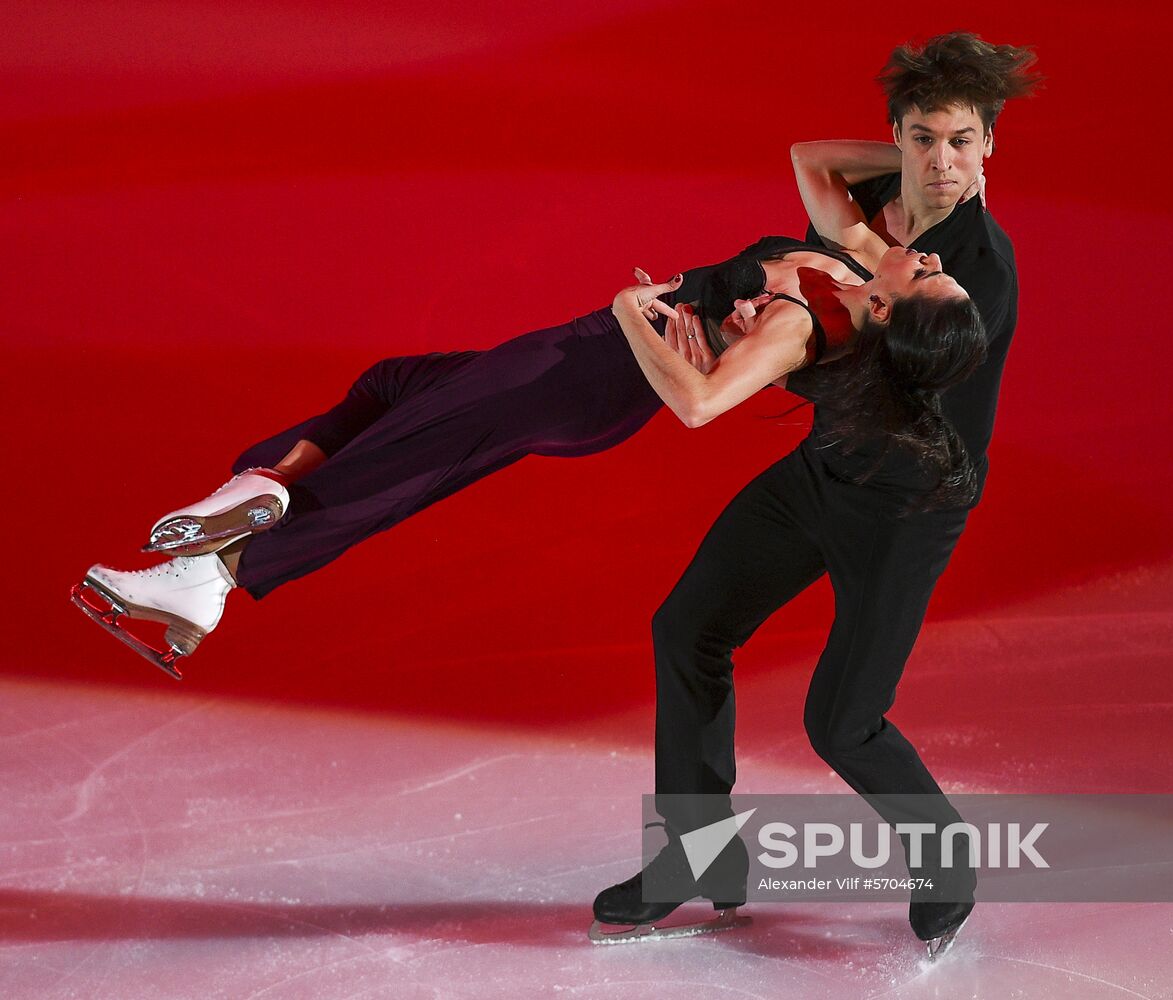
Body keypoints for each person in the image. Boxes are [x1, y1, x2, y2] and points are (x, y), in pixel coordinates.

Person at [71, 205, 982, 678]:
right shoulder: (846, 265)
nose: (936, 255)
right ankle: (251, 492)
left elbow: (701, 405)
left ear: (892, 306)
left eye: (934, 277)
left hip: (586, 374)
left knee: (404, 463)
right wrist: (949, 164)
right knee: (393, 389)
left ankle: (214, 576)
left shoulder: (800, 322)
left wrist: (633, 316)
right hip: (577, 365)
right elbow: (816, 158)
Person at [592, 32, 1039, 960]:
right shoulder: (891, 202)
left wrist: (754, 350)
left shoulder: (977, 273)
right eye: (924, 139)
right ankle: (697, 859)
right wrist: (917, 164)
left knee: (841, 721)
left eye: (964, 142)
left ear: (993, 146)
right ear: (898, 135)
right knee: (688, 630)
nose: (942, 163)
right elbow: (809, 160)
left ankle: (946, 854)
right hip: (828, 471)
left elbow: (886, 386)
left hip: (907, 506)